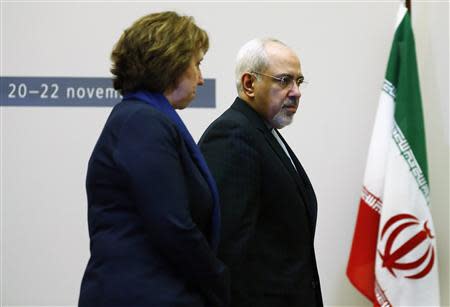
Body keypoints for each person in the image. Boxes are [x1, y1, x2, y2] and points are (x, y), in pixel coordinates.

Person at [78, 11, 229, 307]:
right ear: (170, 62)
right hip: (143, 295)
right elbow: (172, 225)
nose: (201, 79)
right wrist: (219, 280)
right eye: (196, 65)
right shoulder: (142, 121)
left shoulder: (146, 117)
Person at [199, 38, 323, 307]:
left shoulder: (262, 131)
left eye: (298, 81)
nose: (296, 92)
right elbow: (227, 249)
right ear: (249, 84)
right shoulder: (233, 135)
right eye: (283, 80)